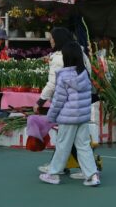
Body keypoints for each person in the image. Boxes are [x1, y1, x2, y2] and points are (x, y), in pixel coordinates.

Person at [39, 41, 101, 187]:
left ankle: (53, 173)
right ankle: (92, 175)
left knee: (62, 145)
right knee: (84, 146)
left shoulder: (63, 76)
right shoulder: (84, 74)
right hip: (82, 117)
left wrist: (51, 117)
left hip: (67, 118)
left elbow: (58, 100)